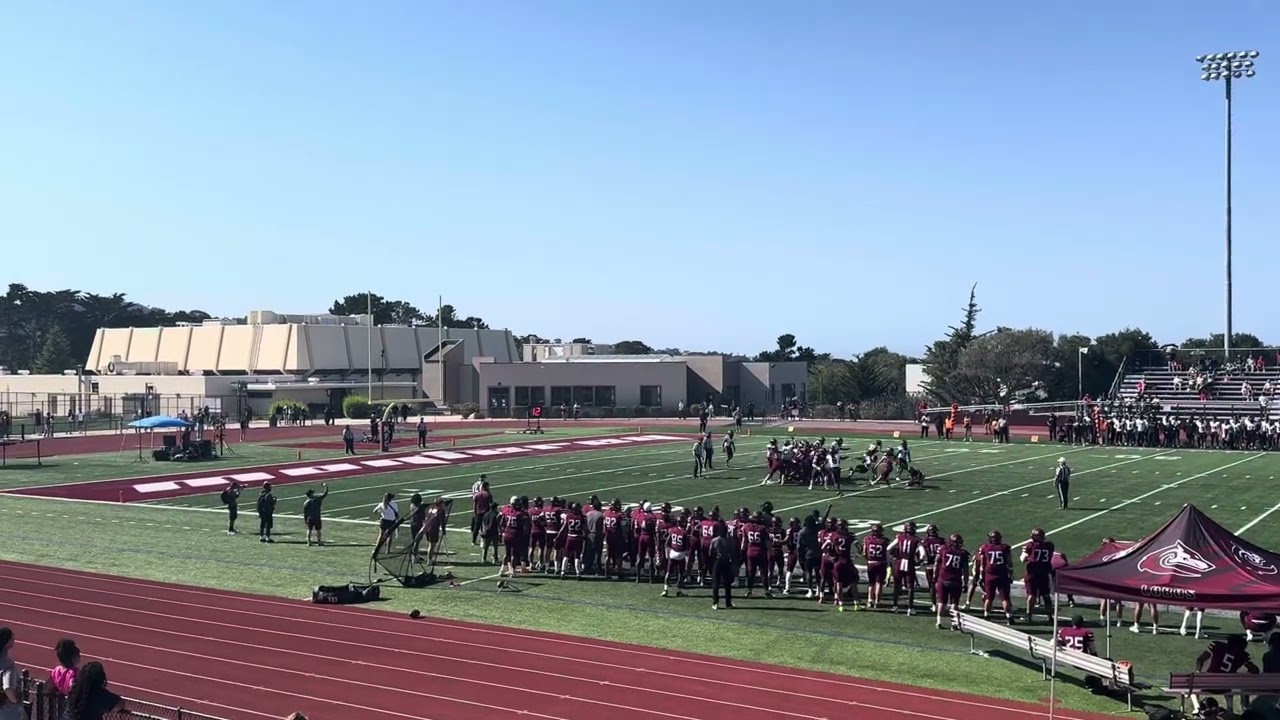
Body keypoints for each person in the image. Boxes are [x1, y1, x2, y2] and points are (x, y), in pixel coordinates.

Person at [708, 522, 735, 610]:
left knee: (716, 583)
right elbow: (732, 552)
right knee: (727, 584)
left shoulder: (714, 540)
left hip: (717, 561)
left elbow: (710, 553)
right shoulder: (728, 540)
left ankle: (715, 602)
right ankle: (728, 603)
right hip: (726, 561)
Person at [0, 627, 23, 720]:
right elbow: (8, 687)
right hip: (6, 708)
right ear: (8, 642)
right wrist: (15, 703)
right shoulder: (8, 665)